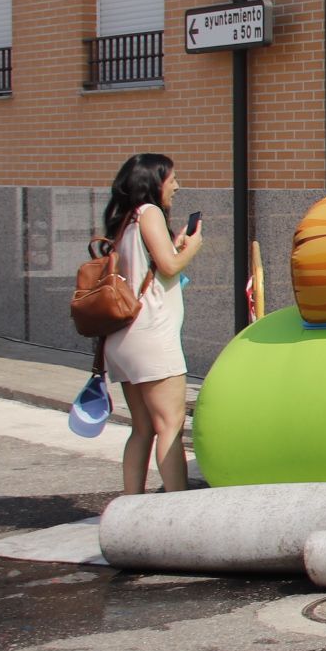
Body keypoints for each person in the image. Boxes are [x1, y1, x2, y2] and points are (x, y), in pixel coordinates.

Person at [99, 154, 202, 497]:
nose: (176, 185)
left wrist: (173, 247)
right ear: (153, 182)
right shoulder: (150, 212)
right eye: (172, 178)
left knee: (142, 429)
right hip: (153, 337)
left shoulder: (126, 219)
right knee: (170, 425)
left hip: (123, 339)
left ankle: (132, 506)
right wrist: (193, 248)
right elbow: (170, 267)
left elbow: (152, 266)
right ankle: (176, 510)